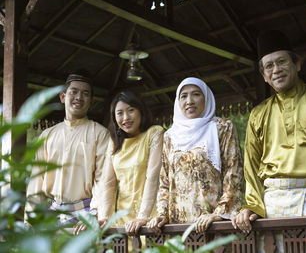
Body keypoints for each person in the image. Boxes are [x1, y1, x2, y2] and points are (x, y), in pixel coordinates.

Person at [231, 30, 306, 252]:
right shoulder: (258, 114)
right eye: (269, 66)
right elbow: (251, 166)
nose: (276, 69)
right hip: (273, 203)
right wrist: (253, 205)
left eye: (281, 62)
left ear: (297, 64)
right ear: (264, 76)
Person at [149, 77, 244, 234]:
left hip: (212, 225)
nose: (189, 101)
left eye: (196, 94)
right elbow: (165, 180)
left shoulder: (223, 128)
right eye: (183, 96)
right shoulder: (170, 136)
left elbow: (233, 174)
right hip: (178, 227)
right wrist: (162, 214)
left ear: (206, 98)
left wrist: (218, 214)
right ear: (177, 102)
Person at [25, 71, 110, 225]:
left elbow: (103, 179)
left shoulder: (100, 133)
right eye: (74, 92)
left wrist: (95, 213)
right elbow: (37, 180)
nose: (79, 97)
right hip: (52, 214)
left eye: (85, 94)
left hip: (85, 214)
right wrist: (30, 218)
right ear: (63, 97)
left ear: (91, 101)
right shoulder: (47, 135)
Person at [75, 91, 164, 235]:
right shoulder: (114, 142)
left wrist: (143, 217)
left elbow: (153, 177)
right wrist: (103, 217)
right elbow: (109, 183)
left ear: (141, 111)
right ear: (114, 118)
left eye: (131, 110)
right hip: (122, 219)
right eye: (120, 113)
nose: (126, 118)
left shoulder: (154, 133)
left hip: (150, 218)